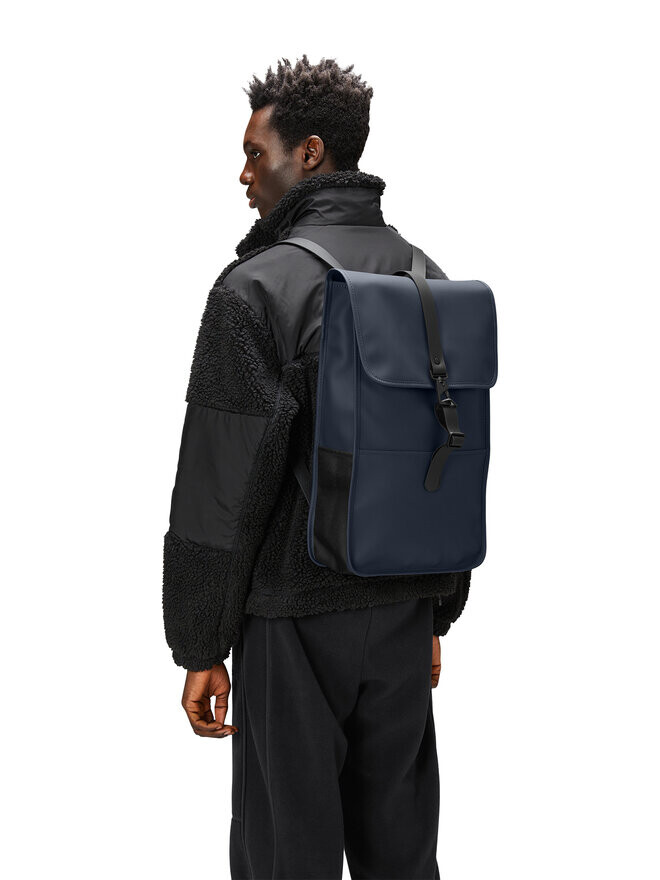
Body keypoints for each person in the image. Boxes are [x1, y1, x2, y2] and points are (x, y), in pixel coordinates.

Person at [162, 54, 471, 880]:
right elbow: (451, 456)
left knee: (284, 856)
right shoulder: (429, 279)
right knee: (402, 856)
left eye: (255, 154)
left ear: (309, 154)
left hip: (291, 619)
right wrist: (435, 609)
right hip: (403, 611)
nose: (244, 174)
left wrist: (199, 642)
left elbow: (219, 489)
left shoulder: (255, 289)